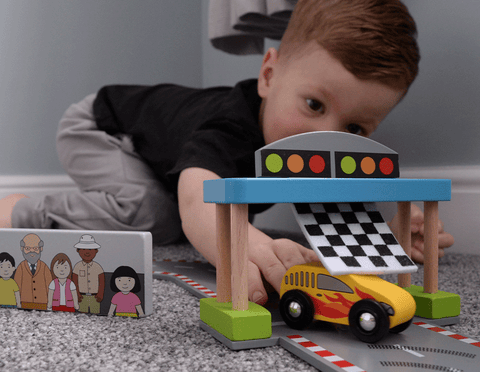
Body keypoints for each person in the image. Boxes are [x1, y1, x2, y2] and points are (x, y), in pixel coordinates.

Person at [0, 0, 454, 305]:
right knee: (156, 214)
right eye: (314, 105)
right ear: (269, 76)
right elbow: (199, 195)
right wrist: (242, 245)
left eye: (355, 128)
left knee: (179, 212)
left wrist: (389, 238)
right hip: (100, 126)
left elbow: (338, 215)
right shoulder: (230, 126)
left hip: (152, 144)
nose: (325, 135)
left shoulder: (314, 149)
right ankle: (22, 211)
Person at [14, 233, 52, 310]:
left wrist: (50, 303)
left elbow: (49, 285)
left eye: (35, 248)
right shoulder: (21, 267)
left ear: (40, 249)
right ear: (22, 249)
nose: (32, 252)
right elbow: (17, 286)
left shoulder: (44, 267)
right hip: (25, 303)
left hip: (42, 303)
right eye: (27, 248)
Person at [71, 234, 105, 314]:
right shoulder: (77, 266)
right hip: (82, 297)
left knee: (96, 313)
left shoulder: (97, 267)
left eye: (90, 249)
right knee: (81, 314)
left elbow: (101, 281)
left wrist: (100, 293)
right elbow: (75, 281)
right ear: (78, 250)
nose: (87, 252)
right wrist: (77, 294)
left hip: (95, 297)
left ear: (96, 251)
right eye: (83, 249)